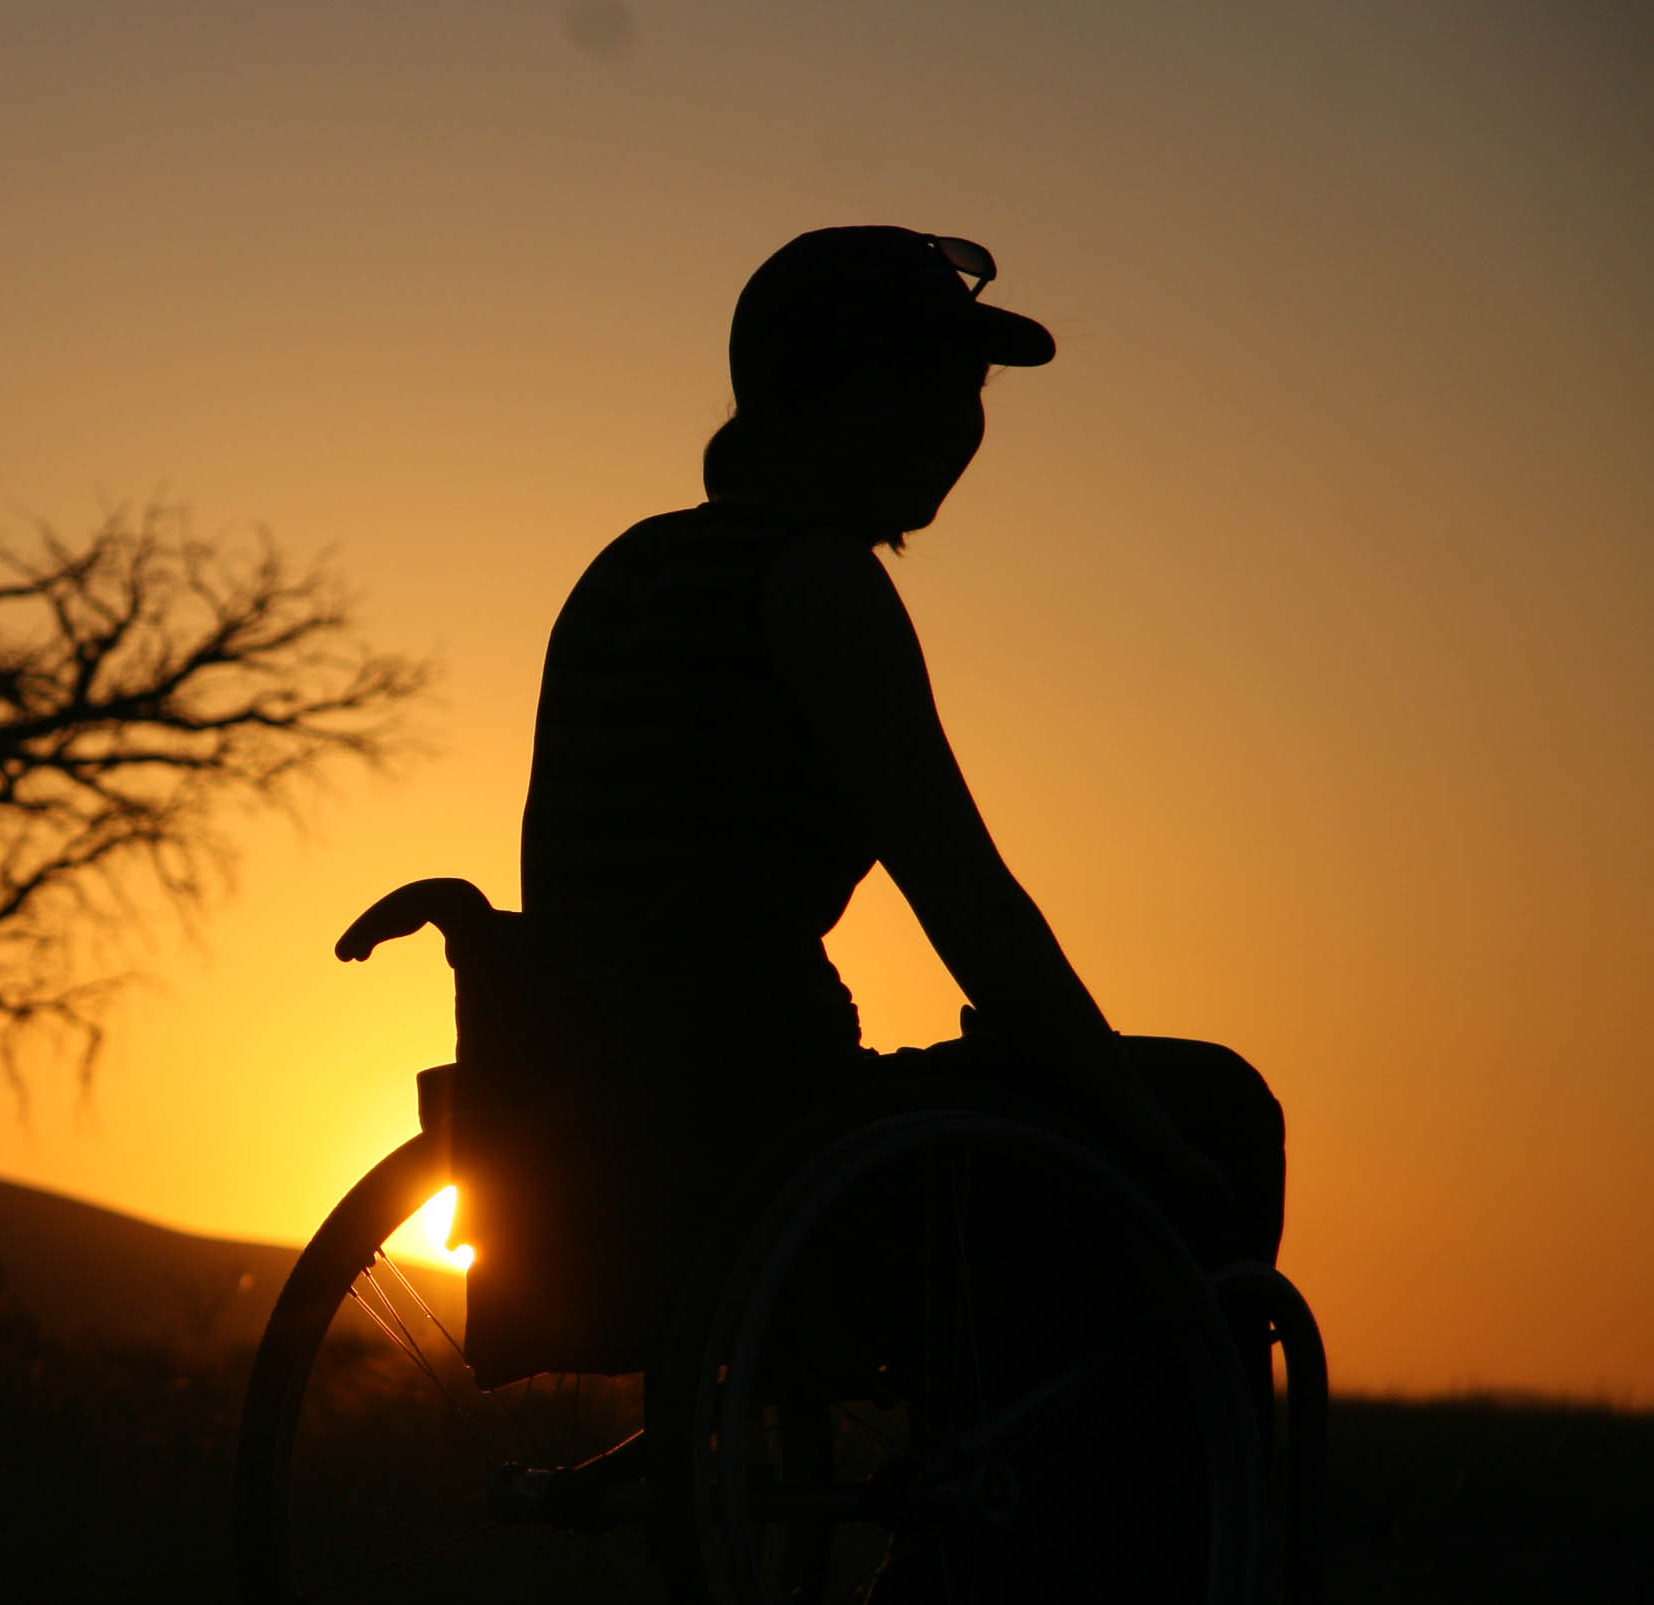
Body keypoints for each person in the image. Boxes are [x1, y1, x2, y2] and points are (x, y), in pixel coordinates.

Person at [516, 225, 1283, 1275]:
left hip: (596, 1119)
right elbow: (970, 904)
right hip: (763, 1131)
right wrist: (1158, 1146)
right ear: (814, 390)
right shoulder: (817, 586)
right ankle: (1168, 1440)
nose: (953, 421)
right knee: (1214, 1102)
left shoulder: (629, 567)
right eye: (912, 380)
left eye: (964, 386)